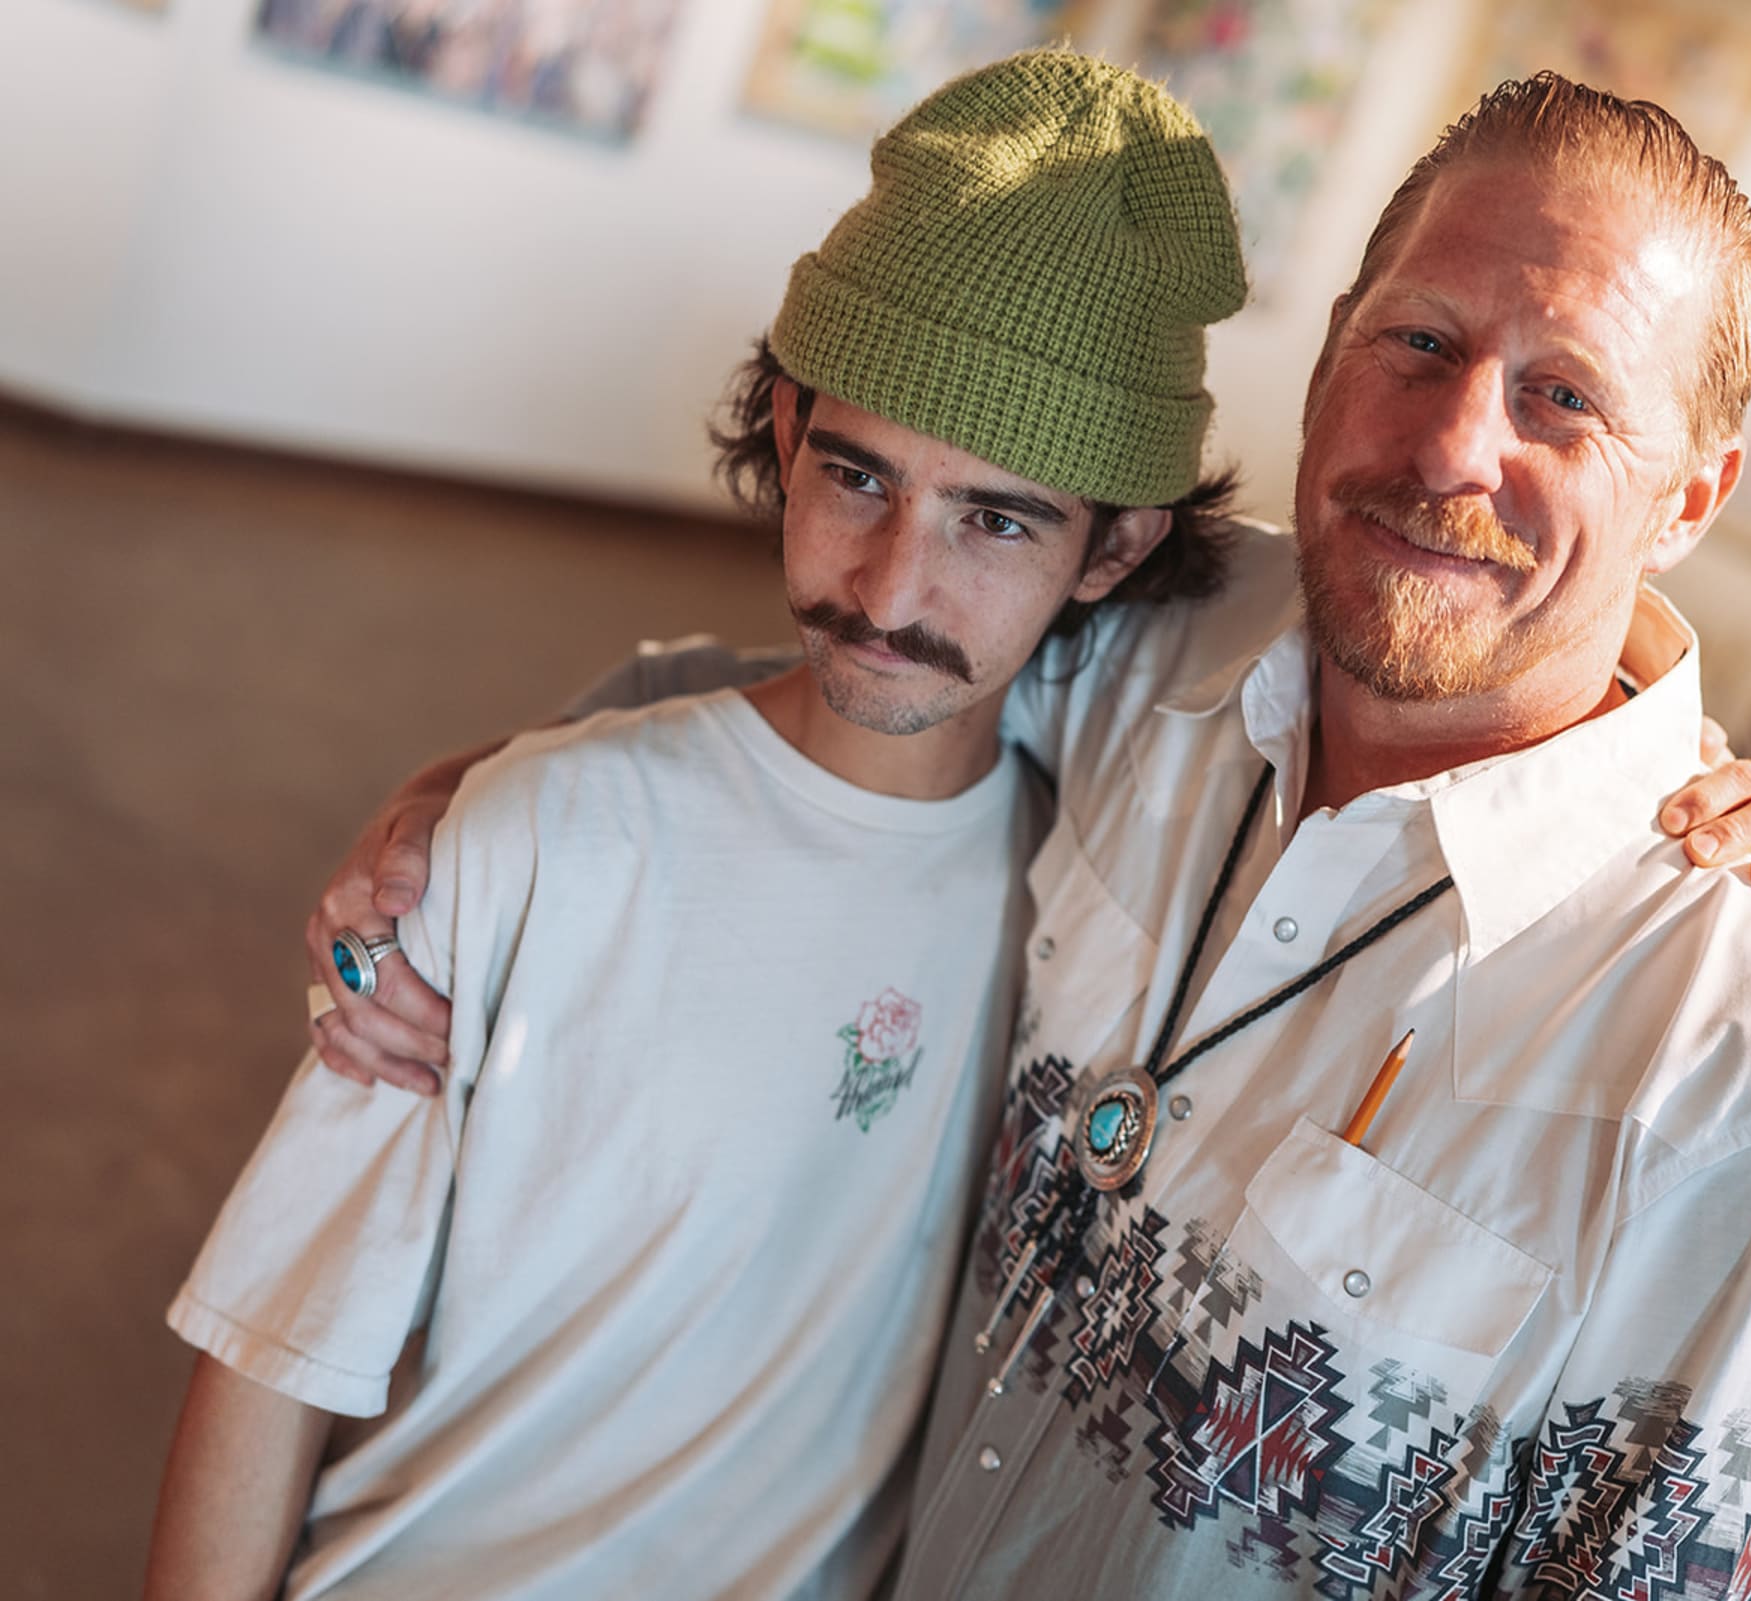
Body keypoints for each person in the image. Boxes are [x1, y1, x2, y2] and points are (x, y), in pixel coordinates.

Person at [270, 69, 1751, 1601]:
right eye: (1420, 340)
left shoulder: (1750, 1075)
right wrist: (480, 801)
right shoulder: (1174, 630)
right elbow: (861, 682)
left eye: (1566, 397)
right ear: (1331, 348)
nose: (1457, 446)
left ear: (1691, 498)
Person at [146, 50, 1255, 1600]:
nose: (886, 589)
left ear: (1116, 546)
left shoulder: (1081, 917)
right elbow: (275, 1341)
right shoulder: (538, 828)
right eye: (853, 474)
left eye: (993, 519)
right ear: (787, 425)